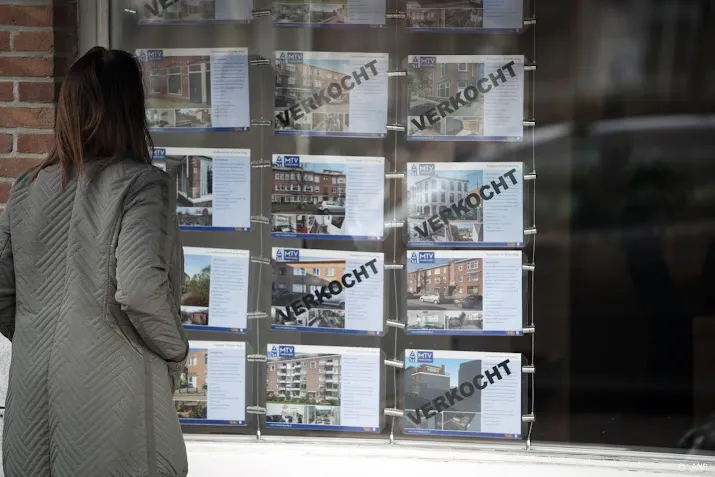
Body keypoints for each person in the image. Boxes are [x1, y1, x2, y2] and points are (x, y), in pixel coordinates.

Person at [0, 47, 189, 477]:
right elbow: (140, 289)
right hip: (111, 397)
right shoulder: (142, 185)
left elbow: (1, 293)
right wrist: (176, 351)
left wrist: (42, 332)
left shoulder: (26, 189)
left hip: (32, 397)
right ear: (131, 107)